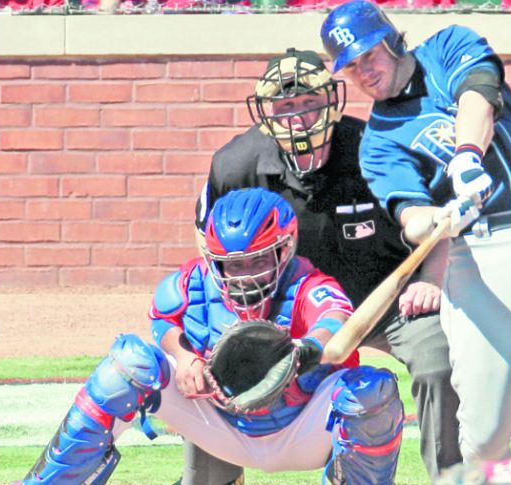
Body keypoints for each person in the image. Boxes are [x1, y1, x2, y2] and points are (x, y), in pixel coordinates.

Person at [320, 3, 511, 484]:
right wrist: (441, 218)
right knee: (484, 435)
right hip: (482, 258)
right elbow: (410, 217)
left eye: (369, 55)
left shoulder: (448, 46)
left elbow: (479, 97)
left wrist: (466, 158)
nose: (364, 71)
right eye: (352, 65)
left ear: (390, 40)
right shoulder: (378, 141)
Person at [190, 47, 462, 484]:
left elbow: (438, 218)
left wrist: (429, 280)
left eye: (309, 102)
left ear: (332, 101)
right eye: (285, 105)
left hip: (386, 299)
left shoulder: (376, 150)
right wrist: (235, 310)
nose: (297, 116)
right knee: (215, 353)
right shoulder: (236, 165)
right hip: (288, 307)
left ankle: (453, 476)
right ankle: (212, 479)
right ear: (265, 111)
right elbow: (209, 242)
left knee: (439, 361)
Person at [18, 187, 405, 485]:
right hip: (222, 425)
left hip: (299, 430)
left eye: (258, 259)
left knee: (371, 391)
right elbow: (162, 319)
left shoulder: (309, 284)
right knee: (128, 364)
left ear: (284, 249)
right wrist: (184, 357)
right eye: (233, 265)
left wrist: (307, 348)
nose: (245, 275)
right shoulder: (193, 283)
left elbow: (335, 319)